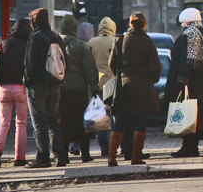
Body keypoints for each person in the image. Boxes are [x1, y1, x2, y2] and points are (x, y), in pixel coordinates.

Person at [108, 12, 161, 166]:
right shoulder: (148, 42)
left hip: (123, 87)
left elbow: (112, 63)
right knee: (140, 121)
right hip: (143, 88)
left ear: (130, 24)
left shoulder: (120, 40)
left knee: (119, 121)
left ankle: (112, 158)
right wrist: (152, 79)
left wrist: (120, 76)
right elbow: (155, 67)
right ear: (144, 25)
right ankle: (136, 157)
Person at [167, 8, 203, 157]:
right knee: (193, 115)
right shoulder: (200, 33)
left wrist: (182, 81)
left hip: (192, 84)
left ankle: (190, 147)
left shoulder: (192, 34)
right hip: (199, 84)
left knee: (189, 114)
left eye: (183, 22)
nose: (181, 25)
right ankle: (188, 146)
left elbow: (190, 60)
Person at [23, 8, 66, 168]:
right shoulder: (56, 37)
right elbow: (64, 60)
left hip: (37, 86)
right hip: (54, 84)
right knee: (53, 121)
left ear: (34, 21)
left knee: (39, 122)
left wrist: (27, 81)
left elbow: (30, 64)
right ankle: (60, 156)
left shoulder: (35, 38)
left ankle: (43, 157)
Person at [0, 19, 32, 168]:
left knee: (3, 122)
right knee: (21, 123)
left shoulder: (3, 44)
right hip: (21, 88)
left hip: (3, 88)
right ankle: (19, 157)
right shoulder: (28, 45)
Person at [58, 16, 100, 163]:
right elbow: (90, 69)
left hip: (60, 90)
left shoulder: (54, 44)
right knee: (80, 122)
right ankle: (85, 154)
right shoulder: (81, 46)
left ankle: (63, 155)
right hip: (78, 90)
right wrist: (94, 87)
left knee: (62, 123)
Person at [88, 17, 117, 156]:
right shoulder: (115, 41)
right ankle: (117, 142)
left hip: (98, 83)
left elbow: (89, 63)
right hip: (112, 83)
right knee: (116, 114)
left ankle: (104, 146)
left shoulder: (92, 42)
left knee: (101, 116)